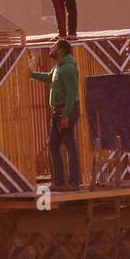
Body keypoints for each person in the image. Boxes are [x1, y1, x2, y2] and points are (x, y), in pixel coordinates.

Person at [30, 39, 81, 189]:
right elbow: (48, 77)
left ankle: (73, 182)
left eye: (53, 47)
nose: (50, 49)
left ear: (60, 50)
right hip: (58, 111)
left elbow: (72, 93)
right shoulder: (59, 66)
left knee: (69, 145)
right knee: (53, 144)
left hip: (66, 110)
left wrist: (66, 115)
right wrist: (32, 74)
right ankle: (59, 182)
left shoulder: (68, 68)